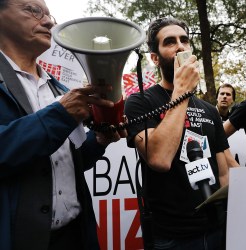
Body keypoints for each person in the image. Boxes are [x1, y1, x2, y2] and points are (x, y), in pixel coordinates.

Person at [0, 0, 127, 249]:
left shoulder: (60, 90)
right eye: (33, 10)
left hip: (75, 236)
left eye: (49, 14)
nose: (48, 22)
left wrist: (100, 140)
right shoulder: (64, 101)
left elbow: (70, 163)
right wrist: (59, 116)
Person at [124, 17, 229, 249]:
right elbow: (159, 159)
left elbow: (225, 171)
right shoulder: (140, 102)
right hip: (173, 236)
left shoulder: (209, 110)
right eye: (170, 42)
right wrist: (182, 91)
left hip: (216, 228)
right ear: (155, 58)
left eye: (184, 40)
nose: (180, 46)